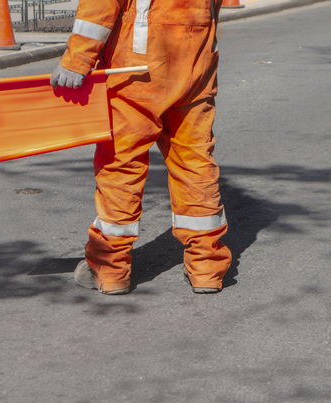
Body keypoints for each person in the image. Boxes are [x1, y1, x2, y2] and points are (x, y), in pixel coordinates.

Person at [50, 0, 231, 295]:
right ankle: (206, 267)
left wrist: (77, 59)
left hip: (136, 69)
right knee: (195, 162)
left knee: (121, 165)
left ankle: (110, 268)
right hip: (195, 63)